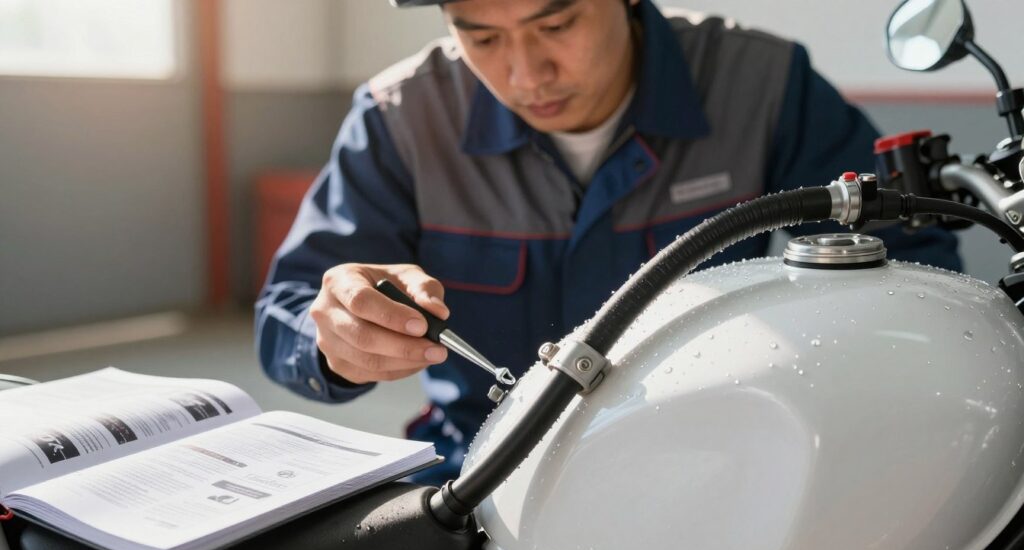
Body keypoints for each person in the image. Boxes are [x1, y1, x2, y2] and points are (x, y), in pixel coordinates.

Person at [256, 0, 961, 485]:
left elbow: (907, 269)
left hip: (717, 460)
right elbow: (290, 308)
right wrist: (336, 340)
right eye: (483, 37)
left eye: (556, 23)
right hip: (480, 464)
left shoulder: (763, 87)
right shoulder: (400, 118)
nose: (526, 75)